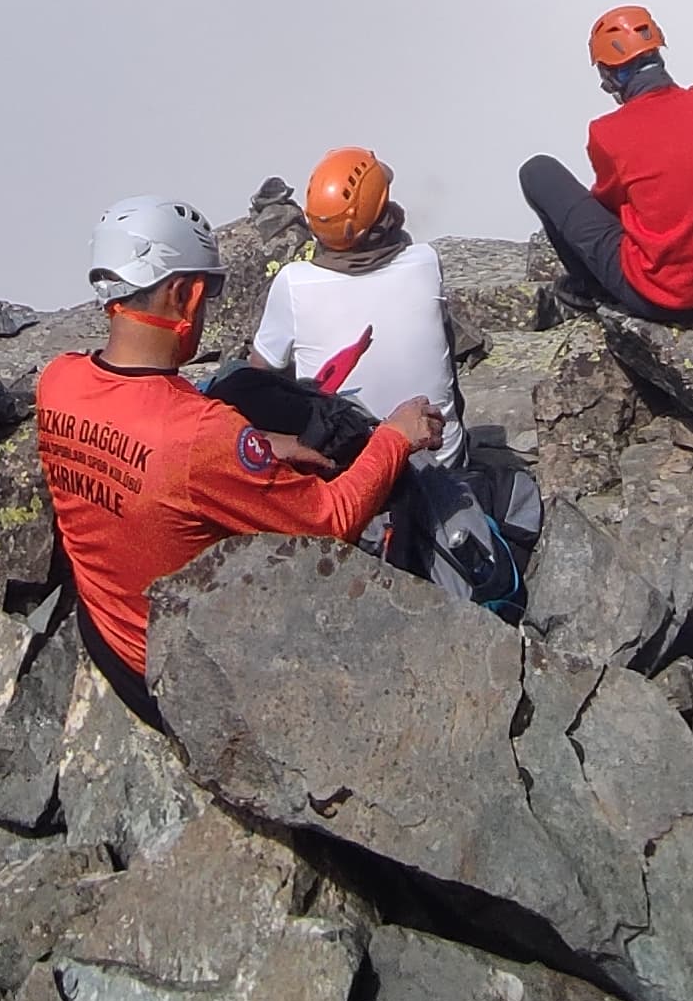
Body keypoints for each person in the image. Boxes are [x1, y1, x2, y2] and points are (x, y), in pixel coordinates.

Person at [36, 196, 442, 728]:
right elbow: (330, 522)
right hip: (179, 678)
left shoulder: (58, 381)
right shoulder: (200, 434)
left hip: (110, 634)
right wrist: (394, 437)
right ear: (186, 294)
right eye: (211, 293)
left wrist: (264, 446)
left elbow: (153, 462)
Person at [520, 5, 693, 322]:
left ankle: (587, 287)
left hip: (662, 296)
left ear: (608, 74)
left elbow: (610, 204)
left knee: (538, 172)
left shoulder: (606, 132)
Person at [248, 147, 465, 465]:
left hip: (346, 473)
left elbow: (259, 374)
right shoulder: (425, 261)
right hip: (442, 466)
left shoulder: (293, 282)